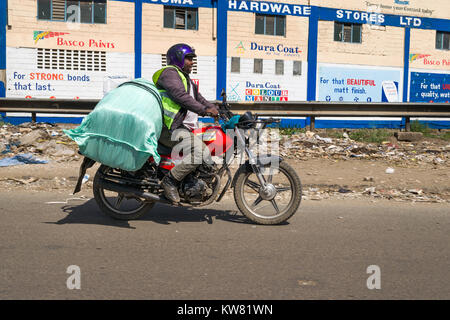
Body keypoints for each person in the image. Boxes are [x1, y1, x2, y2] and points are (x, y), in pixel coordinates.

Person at [153, 43, 219, 203]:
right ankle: (170, 180)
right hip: (169, 129)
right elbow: (180, 96)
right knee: (200, 152)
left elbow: (199, 98)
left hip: (182, 128)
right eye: (189, 58)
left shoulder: (185, 79)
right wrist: (204, 111)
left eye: (192, 59)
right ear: (178, 58)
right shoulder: (169, 73)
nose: (192, 62)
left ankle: (190, 179)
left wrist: (215, 108)